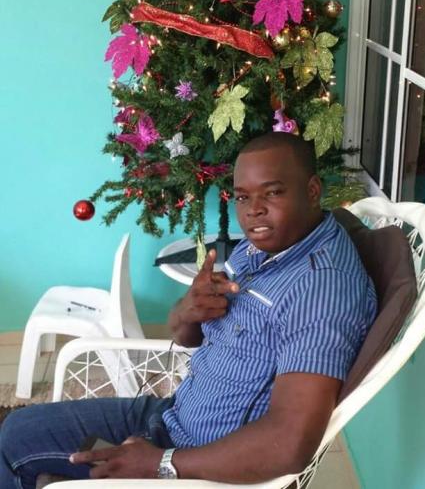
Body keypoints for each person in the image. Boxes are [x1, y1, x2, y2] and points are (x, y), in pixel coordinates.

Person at [0, 132, 377, 487]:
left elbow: (291, 442)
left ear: (312, 191)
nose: (253, 212)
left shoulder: (321, 288)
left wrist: (160, 463)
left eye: (273, 192)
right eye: (242, 197)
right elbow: (183, 335)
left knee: (14, 448)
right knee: (16, 429)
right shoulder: (262, 249)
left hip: (194, 460)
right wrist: (189, 309)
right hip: (171, 415)